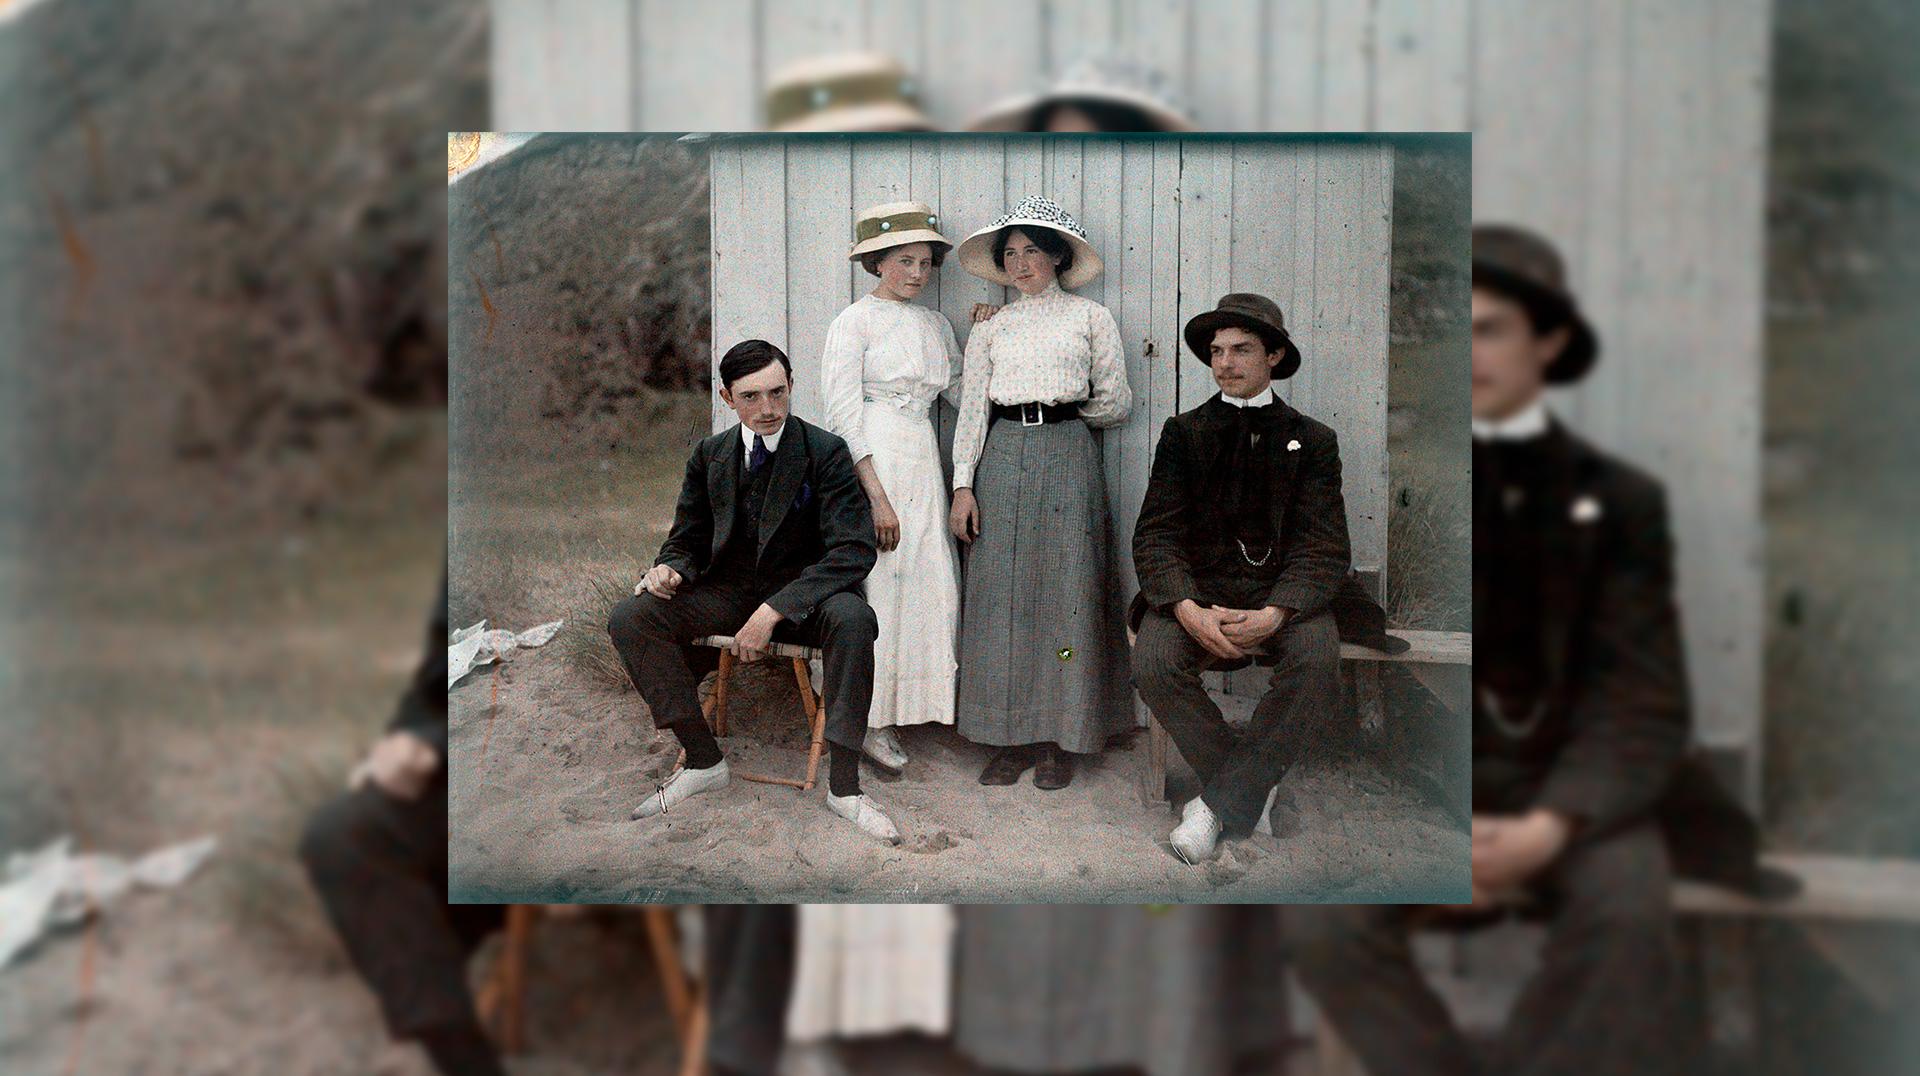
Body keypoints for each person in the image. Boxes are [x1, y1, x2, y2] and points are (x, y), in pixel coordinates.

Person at [1287, 224, 1725, 1075]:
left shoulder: (1623, 502)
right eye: (1463, 328)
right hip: (1451, 784)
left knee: (1629, 914)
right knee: (1322, 920)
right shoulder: (1429, 493)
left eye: (1496, 328)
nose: (1473, 351)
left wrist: (1546, 826)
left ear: (1551, 342)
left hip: (1584, 799)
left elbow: (1642, 699)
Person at [605, 339, 899, 842]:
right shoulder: (710, 454)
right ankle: (702, 760)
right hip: (730, 591)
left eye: (778, 393)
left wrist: (775, 611)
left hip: (807, 596)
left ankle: (845, 789)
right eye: (751, 397)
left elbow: (852, 550)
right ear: (726, 397)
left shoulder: (825, 451)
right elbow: (686, 538)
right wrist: (669, 569)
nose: (767, 409)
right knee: (631, 616)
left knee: (855, 619)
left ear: (791, 387)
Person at [1128, 293, 1353, 864]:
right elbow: (1156, 535)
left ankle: (1215, 805)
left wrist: (1278, 612)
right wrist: (1185, 608)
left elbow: (1323, 546)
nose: (1224, 362)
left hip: (1281, 599)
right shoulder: (1185, 432)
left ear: (1274, 355)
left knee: (1317, 657)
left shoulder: (1313, 440)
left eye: (1242, 349)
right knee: (1152, 661)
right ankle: (1252, 783)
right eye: (1216, 351)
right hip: (1197, 595)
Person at [948, 195, 1134, 790]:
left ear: (1057, 256)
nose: (1022, 263)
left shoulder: (1089, 318)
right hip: (1001, 456)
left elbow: (1114, 402)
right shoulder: (991, 328)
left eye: (1033, 251)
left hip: (1068, 454)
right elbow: (972, 411)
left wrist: (1061, 412)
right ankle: (1010, 736)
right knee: (1002, 596)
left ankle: (1061, 739)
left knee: (1065, 591)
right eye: (1010, 254)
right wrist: (963, 487)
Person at [300, 574, 509, 1076]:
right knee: (341, 834)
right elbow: (439, 674)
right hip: (465, 774)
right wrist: (409, 741)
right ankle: (461, 1058)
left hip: (570, 787)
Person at [817, 201, 963, 775]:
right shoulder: (853, 322)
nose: (916, 273)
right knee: (883, 580)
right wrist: (875, 496)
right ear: (877, 262)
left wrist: (990, 332)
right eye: (904, 261)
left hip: (922, 455)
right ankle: (871, 720)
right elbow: (843, 417)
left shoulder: (935, 325)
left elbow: (961, 390)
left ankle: (916, 709)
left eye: (925, 263)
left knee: (929, 579)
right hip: (874, 457)